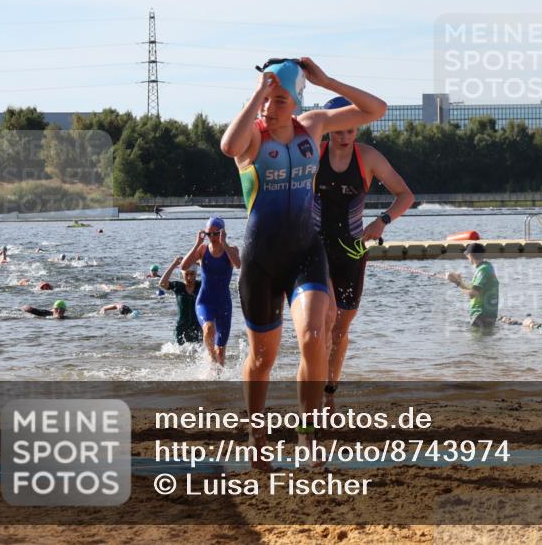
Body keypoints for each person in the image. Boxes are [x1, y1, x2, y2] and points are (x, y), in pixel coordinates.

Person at [220, 56, 386, 466]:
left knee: (315, 337)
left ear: (295, 101)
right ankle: (257, 429)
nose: (269, 108)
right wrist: (260, 90)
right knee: (263, 359)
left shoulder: (313, 126)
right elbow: (228, 147)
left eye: (279, 100)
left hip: (305, 255)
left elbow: (375, 110)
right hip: (261, 261)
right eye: (264, 99)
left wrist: (327, 80)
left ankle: (307, 434)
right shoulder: (253, 140)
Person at [316, 96, 415, 407]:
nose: (344, 137)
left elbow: (405, 195)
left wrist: (382, 221)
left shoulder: (368, 158)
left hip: (353, 251)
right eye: (338, 131)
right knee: (324, 320)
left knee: (341, 328)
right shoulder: (313, 155)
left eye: (350, 131)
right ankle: (313, 391)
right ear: (328, 128)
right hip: (316, 249)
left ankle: (330, 390)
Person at [181, 216, 241, 367]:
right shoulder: (202, 250)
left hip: (223, 304)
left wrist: (224, 243)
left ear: (222, 232)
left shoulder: (231, 249)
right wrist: (197, 243)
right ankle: (210, 358)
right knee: (208, 329)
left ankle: (218, 378)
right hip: (205, 301)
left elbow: (238, 264)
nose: (212, 237)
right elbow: (183, 266)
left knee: (221, 352)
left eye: (216, 234)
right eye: (209, 234)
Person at [447, 243, 499, 327]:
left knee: (476, 339)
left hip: (481, 315)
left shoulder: (482, 270)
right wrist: (459, 281)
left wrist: (456, 282)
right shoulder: (488, 266)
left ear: (470, 255)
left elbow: (473, 294)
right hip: (489, 315)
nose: (467, 257)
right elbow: (474, 290)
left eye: (467, 255)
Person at [159, 258, 203, 345]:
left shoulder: (201, 285)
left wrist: (200, 263)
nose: (189, 277)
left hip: (197, 327)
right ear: (182, 274)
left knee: (197, 353)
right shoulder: (178, 286)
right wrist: (174, 264)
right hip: (181, 327)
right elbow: (162, 284)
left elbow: (213, 277)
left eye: (192, 274)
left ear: (196, 274)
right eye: (186, 274)